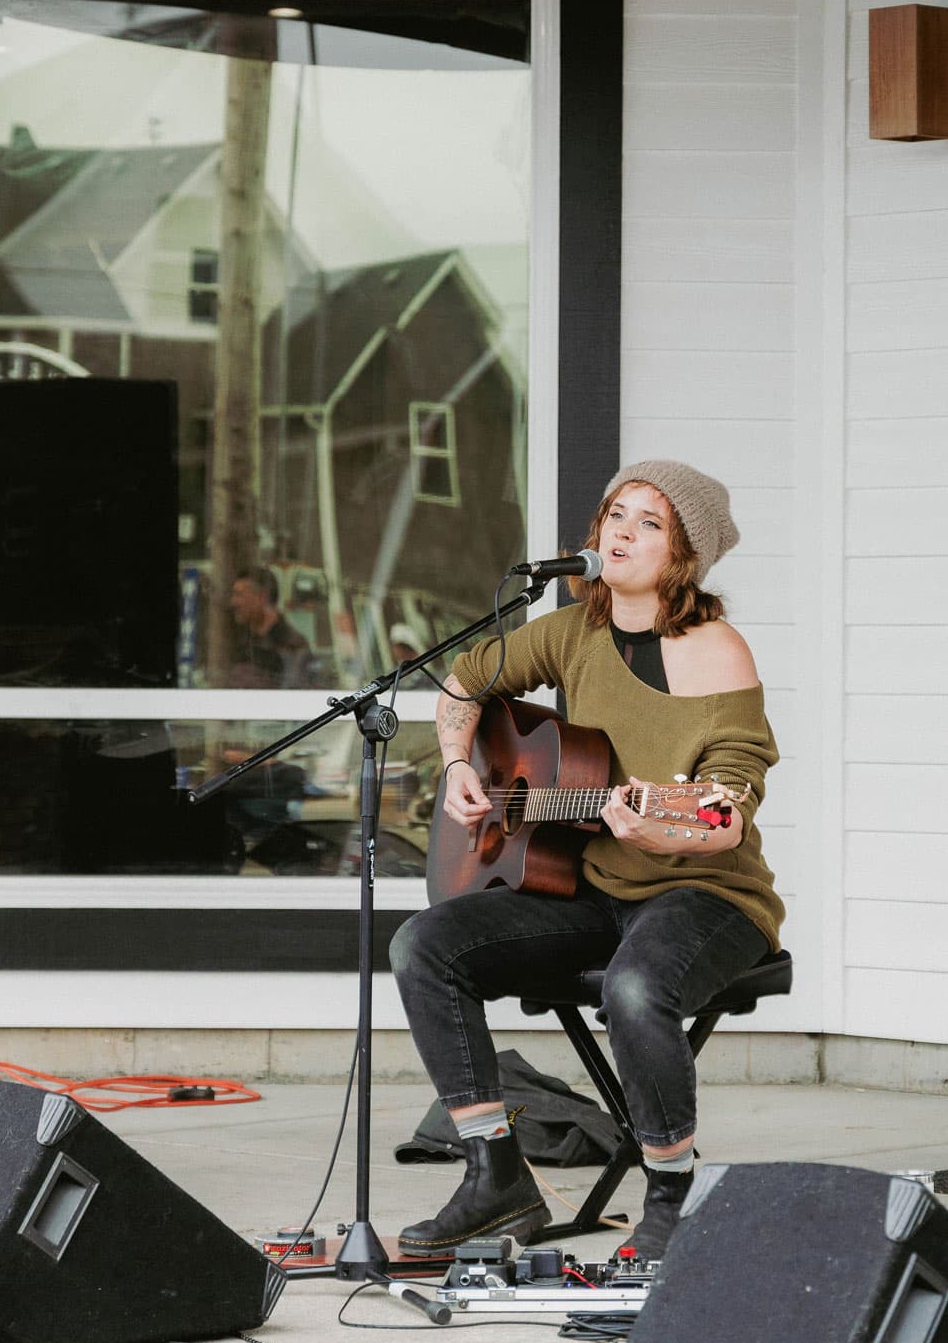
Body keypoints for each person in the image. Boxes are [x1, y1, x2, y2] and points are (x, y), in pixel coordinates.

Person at [390, 461, 779, 1265]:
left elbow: (727, 810)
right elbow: (464, 684)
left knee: (636, 986)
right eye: (615, 515)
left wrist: (664, 831)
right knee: (425, 944)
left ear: (685, 556)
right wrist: (459, 765)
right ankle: (495, 1176)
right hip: (595, 889)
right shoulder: (572, 632)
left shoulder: (720, 654)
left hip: (708, 894)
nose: (622, 532)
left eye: (650, 523)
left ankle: (672, 1195)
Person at [227, 568, 312, 688]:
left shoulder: (292, 645)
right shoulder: (243, 640)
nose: (233, 602)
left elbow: (294, 691)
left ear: (262, 597)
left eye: (239, 595)